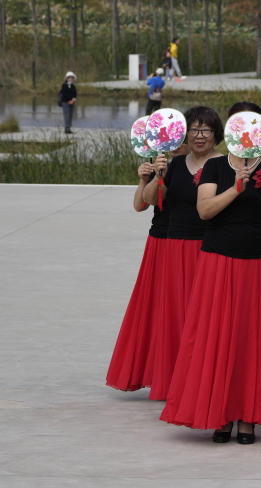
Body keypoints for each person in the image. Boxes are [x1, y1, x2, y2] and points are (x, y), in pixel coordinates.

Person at [161, 101, 261, 445]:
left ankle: (249, 418)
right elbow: (204, 210)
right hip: (219, 264)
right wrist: (236, 189)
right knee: (218, 337)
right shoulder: (214, 168)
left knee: (252, 341)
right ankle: (221, 415)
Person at [142, 106, 222, 401]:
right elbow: (151, 200)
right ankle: (174, 381)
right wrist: (157, 175)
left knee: (202, 317)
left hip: (208, 247)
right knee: (175, 316)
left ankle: (199, 381)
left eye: (206, 130)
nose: (199, 136)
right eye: (194, 130)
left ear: (216, 134)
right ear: (184, 133)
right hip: (175, 247)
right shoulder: (174, 165)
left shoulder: (223, 164)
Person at [105, 159, 173, 393]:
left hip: (189, 241)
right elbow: (139, 205)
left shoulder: (203, 165)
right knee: (155, 309)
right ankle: (158, 373)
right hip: (160, 241)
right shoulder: (161, 164)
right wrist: (145, 178)